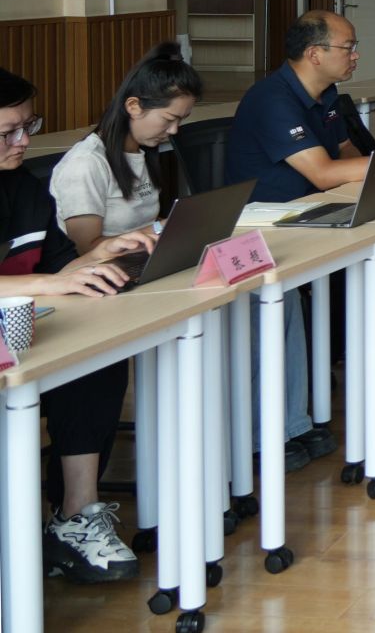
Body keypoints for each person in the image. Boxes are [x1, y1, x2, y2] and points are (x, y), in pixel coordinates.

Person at [1, 66, 160, 583]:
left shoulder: (25, 190)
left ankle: (75, 516)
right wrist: (46, 283)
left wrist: (103, 254)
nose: (24, 141)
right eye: (8, 132)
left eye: (28, 126)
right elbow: (48, 281)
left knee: (95, 360)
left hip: (23, 336)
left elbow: (60, 268)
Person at [224, 11, 375, 471]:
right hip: (262, 227)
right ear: (314, 53)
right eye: (348, 47)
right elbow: (322, 173)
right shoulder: (272, 99)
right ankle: (268, 431)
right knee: (280, 305)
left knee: (367, 263)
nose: (356, 55)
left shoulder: (328, 95)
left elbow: (347, 157)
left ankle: (295, 420)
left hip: (308, 217)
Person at [51, 41, 198, 252]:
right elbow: (85, 250)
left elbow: (143, 223)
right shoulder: (86, 163)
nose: (174, 130)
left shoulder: (141, 151)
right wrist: (159, 228)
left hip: (141, 257)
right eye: (168, 119)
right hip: (100, 267)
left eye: (180, 120)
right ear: (133, 106)